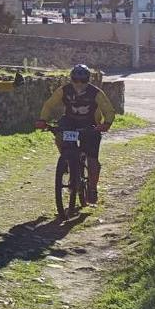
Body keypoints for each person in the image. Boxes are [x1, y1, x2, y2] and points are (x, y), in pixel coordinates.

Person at [35, 63, 116, 204]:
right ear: (71, 79)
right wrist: (43, 120)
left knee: (92, 160)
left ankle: (92, 188)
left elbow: (108, 109)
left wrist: (106, 124)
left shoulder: (95, 92)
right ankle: (66, 159)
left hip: (90, 124)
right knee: (59, 134)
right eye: (75, 80)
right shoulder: (64, 90)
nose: (79, 84)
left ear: (88, 80)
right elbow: (49, 104)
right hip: (70, 121)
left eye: (83, 81)